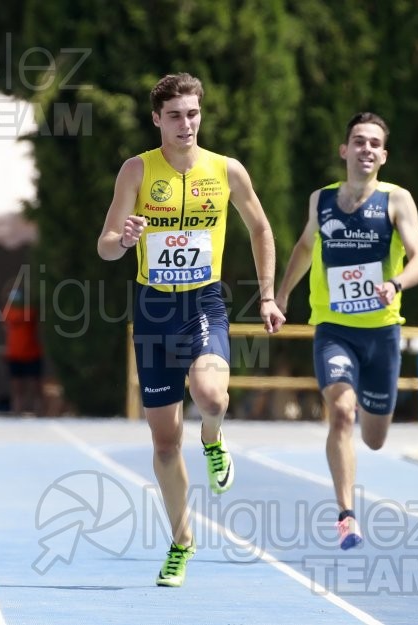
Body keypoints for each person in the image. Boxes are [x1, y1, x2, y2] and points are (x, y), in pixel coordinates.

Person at [97, 73, 285, 587]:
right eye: (175, 115)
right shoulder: (137, 170)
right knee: (162, 442)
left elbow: (261, 228)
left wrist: (267, 295)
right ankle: (181, 541)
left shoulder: (226, 171)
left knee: (211, 396)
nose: (186, 124)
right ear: (157, 119)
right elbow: (106, 244)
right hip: (153, 308)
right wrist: (124, 235)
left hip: (203, 301)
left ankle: (214, 437)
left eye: (193, 114)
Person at [275, 112, 418, 551]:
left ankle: (372, 416)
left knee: (375, 438)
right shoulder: (320, 200)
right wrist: (282, 295)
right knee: (341, 412)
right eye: (358, 141)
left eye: (374, 144)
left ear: (383, 156)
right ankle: (346, 515)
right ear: (344, 150)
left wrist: (396, 282)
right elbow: (306, 247)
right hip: (334, 329)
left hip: (382, 333)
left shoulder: (397, 199)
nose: (366, 149)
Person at [2, 281, 44, 415]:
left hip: (31, 353)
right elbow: (6, 329)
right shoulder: (8, 311)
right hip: (14, 354)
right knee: (17, 387)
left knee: (35, 386)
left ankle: (38, 412)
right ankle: (17, 412)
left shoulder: (31, 310)